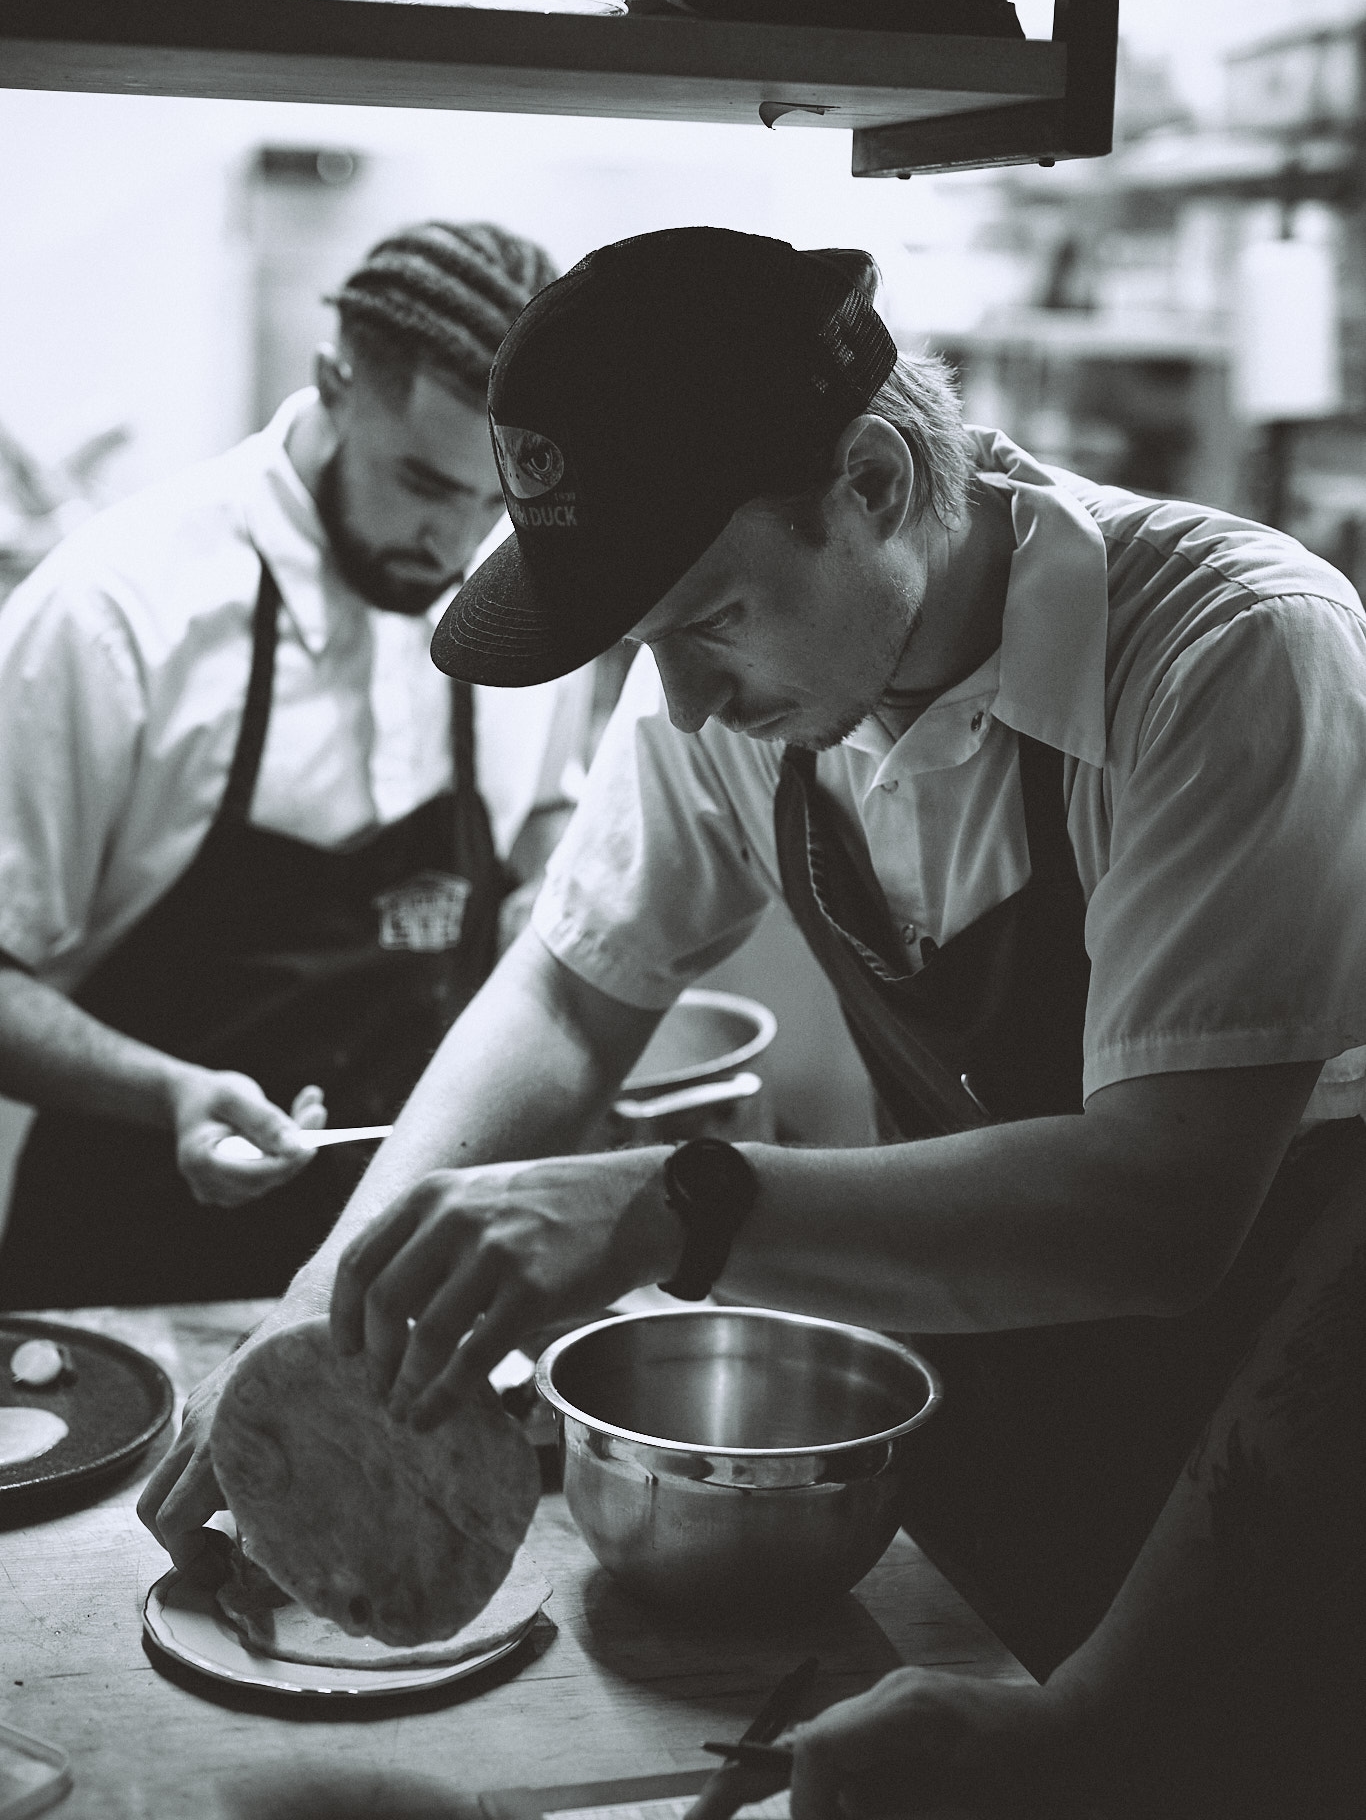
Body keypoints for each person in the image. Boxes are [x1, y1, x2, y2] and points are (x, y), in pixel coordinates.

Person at [139, 228, 1366, 1815]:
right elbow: (573, 987)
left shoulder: (1226, 655)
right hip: (1008, 1426)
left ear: (867, 482)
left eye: (708, 619)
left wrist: (665, 1205)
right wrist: (327, 1315)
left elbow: (1162, 1212)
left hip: (1273, 1473)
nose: (689, 701)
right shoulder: (752, 684)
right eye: (650, 640)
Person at [0, 219, 595, 1309]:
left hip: (412, 1274)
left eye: (492, 499)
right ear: (333, 382)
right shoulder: (116, 613)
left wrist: (545, 932)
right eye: (422, 480)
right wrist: (165, 1090)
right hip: (127, 1280)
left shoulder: (527, 585)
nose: (456, 543)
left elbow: (542, 826)